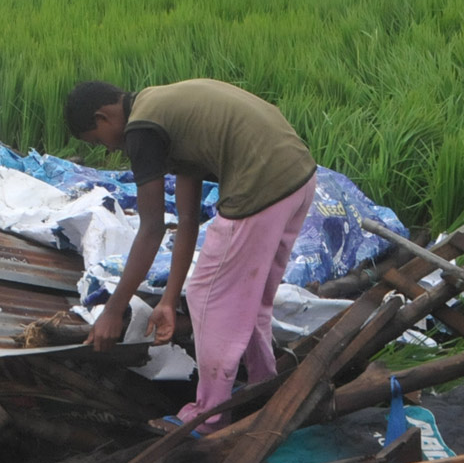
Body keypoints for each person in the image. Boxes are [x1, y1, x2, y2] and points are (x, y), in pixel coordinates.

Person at [65, 78, 317, 436]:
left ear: (103, 116)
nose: (107, 150)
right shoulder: (166, 113)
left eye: (97, 139)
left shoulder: (142, 130)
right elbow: (185, 222)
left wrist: (113, 310)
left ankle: (207, 416)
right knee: (253, 298)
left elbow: (151, 227)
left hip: (261, 185)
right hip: (299, 178)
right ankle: (263, 385)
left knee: (207, 298)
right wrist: (168, 300)